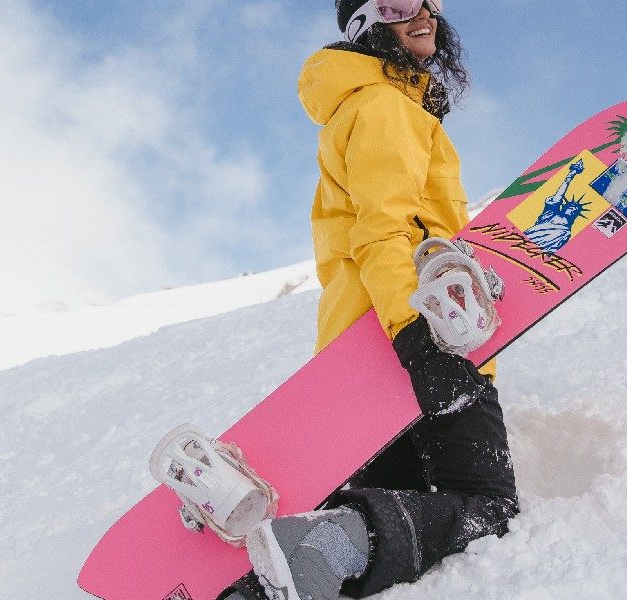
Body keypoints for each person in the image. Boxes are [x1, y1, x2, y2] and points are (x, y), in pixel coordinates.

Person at [219, 1, 519, 598]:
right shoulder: (384, 107)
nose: (424, 12)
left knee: (397, 509)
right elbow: (385, 230)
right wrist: (420, 339)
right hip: (415, 330)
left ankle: (276, 573)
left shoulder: (362, 106)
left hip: (360, 348)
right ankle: (324, 544)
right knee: (487, 506)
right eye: (397, 2)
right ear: (363, 24)